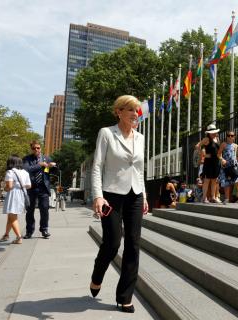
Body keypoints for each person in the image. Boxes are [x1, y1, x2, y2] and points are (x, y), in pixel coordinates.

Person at [90, 95, 149, 313]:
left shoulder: (141, 138)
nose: (135, 114)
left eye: (137, 111)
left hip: (135, 194)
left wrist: (143, 195)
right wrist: (98, 195)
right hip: (111, 195)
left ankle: (125, 296)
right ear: (119, 112)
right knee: (112, 243)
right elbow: (97, 166)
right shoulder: (107, 133)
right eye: (131, 110)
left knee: (133, 244)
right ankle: (97, 275)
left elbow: (140, 170)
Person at [23, 141, 56, 239]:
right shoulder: (26, 159)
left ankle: (44, 230)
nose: (36, 150)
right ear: (31, 149)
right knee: (30, 211)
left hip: (43, 188)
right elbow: (26, 170)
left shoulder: (47, 158)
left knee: (45, 209)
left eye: (38, 148)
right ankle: (29, 231)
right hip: (31, 188)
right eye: (34, 148)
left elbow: (53, 171)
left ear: (41, 148)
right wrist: (40, 165)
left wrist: (53, 166)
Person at [0, 155, 31, 244]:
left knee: (13, 217)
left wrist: (5, 188)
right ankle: (6, 235)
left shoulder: (10, 172)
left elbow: (9, 186)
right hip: (22, 194)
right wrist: (20, 185)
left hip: (13, 195)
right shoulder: (25, 172)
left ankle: (19, 237)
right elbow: (29, 185)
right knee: (11, 216)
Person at [218, 131, 238, 204]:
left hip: (234, 166)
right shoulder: (223, 144)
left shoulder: (236, 146)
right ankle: (227, 198)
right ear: (226, 136)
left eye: (232, 136)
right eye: (228, 135)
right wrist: (222, 159)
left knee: (237, 182)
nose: (230, 137)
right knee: (226, 182)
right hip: (225, 165)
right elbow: (218, 154)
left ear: (234, 137)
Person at [200, 124, 222, 204]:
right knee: (207, 180)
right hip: (208, 162)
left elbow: (219, 151)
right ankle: (204, 198)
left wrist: (221, 159)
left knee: (214, 180)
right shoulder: (206, 139)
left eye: (214, 132)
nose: (213, 133)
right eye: (211, 132)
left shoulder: (217, 138)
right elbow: (197, 146)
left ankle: (213, 197)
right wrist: (204, 155)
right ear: (208, 133)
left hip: (216, 162)